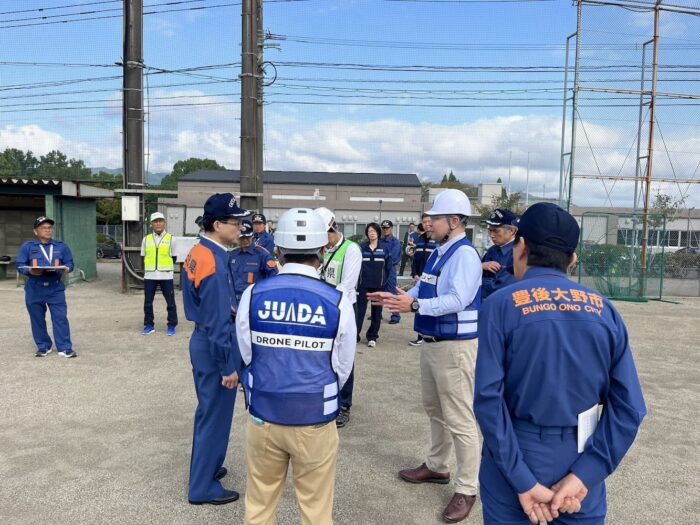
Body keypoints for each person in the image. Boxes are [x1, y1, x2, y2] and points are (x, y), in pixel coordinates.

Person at [474, 202, 647, 525]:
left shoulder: (500, 305)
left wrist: (523, 481)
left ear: (521, 246)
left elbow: (488, 400)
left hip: (514, 453)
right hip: (580, 455)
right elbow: (630, 408)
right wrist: (585, 476)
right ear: (573, 258)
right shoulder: (604, 310)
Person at [236, 208, 357, 525]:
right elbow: (342, 367)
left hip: (264, 415)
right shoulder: (338, 301)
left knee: (259, 505)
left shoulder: (253, 295)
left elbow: (247, 355)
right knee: (316, 510)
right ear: (321, 251)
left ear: (277, 251)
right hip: (315, 419)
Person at [368, 189, 482, 523]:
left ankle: (467, 488)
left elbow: (458, 299)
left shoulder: (465, 255)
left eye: (435, 217)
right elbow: (424, 286)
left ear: (455, 221)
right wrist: (398, 297)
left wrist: (415, 305)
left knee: (460, 419)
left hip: (455, 345)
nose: (428, 222)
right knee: (435, 410)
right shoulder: (439, 251)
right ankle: (437, 466)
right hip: (435, 343)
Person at [182, 193, 248, 506]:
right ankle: (201, 487)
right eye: (235, 222)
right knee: (214, 416)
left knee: (211, 413)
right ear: (217, 224)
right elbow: (218, 320)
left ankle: (209, 467)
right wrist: (227, 366)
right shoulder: (213, 260)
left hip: (205, 341)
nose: (241, 227)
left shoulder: (201, 251)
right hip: (214, 346)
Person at [315, 206, 361, 429]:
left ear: (333, 229)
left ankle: (344, 405)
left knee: (344, 356)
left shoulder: (351, 250)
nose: (324, 243)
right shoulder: (321, 250)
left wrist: (325, 299)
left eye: (325, 237)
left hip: (342, 308)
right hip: (323, 308)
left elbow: (347, 284)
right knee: (323, 354)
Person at [16, 216, 77, 358]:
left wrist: (66, 269)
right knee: (37, 318)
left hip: (55, 288)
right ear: (35, 232)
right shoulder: (28, 247)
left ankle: (65, 348)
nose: (48, 230)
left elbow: (70, 264)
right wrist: (30, 271)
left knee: (60, 317)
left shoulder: (61, 246)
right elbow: (20, 265)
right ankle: (43, 346)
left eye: (49, 228)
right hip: (34, 287)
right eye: (44, 228)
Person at [141, 211, 178, 336]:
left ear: (164, 223)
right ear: (151, 224)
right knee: (147, 302)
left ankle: (172, 325)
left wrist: (164, 268)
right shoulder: (146, 239)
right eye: (155, 221)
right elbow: (144, 256)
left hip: (166, 275)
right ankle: (149, 325)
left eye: (160, 221)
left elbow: (174, 257)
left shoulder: (171, 239)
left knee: (170, 302)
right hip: (150, 275)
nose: (158, 223)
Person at [356, 223, 391, 348]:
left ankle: (372, 337)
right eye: (370, 231)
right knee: (359, 312)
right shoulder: (362, 248)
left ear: (378, 233)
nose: (372, 233)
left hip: (378, 286)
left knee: (376, 312)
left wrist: (384, 283)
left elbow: (388, 268)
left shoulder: (385, 248)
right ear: (367, 233)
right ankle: (355, 335)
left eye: (374, 231)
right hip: (363, 285)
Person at [229, 220, 278, 306]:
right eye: (242, 238)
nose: (244, 240)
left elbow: (274, 278)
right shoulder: (233, 255)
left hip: (253, 301)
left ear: (252, 236)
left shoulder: (262, 254)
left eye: (247, 237)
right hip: (233, 301)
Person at [408, 214, 438, 346]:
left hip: (431, 280)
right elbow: (415, 260)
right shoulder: (419, 240)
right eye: (424, 222)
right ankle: (420, 335)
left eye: (429, 221)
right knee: (418, 307)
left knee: (429, 306)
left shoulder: (437, 242)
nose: (427, 224)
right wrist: (414, 274)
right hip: (419, 277)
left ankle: (429, 334)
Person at [481, 208, 519, 301]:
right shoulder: (491, 251)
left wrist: (477, 281)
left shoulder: (518, 253)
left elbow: (500, 288)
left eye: (496, 231)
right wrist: (480, 266)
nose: (492, 235)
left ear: (512, 231)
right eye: (490, 230)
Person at [380, 220, 402, 324]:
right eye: (383, 228)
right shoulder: (380, 241)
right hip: (379, 269)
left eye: (387, 228)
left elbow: (394, 258)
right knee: (378, 292)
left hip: (390, 270)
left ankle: (395, 316)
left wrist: (383, 258)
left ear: (392, 228)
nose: (385, 230)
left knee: (392, 293)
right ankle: (377, 314)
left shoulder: (395, 242)